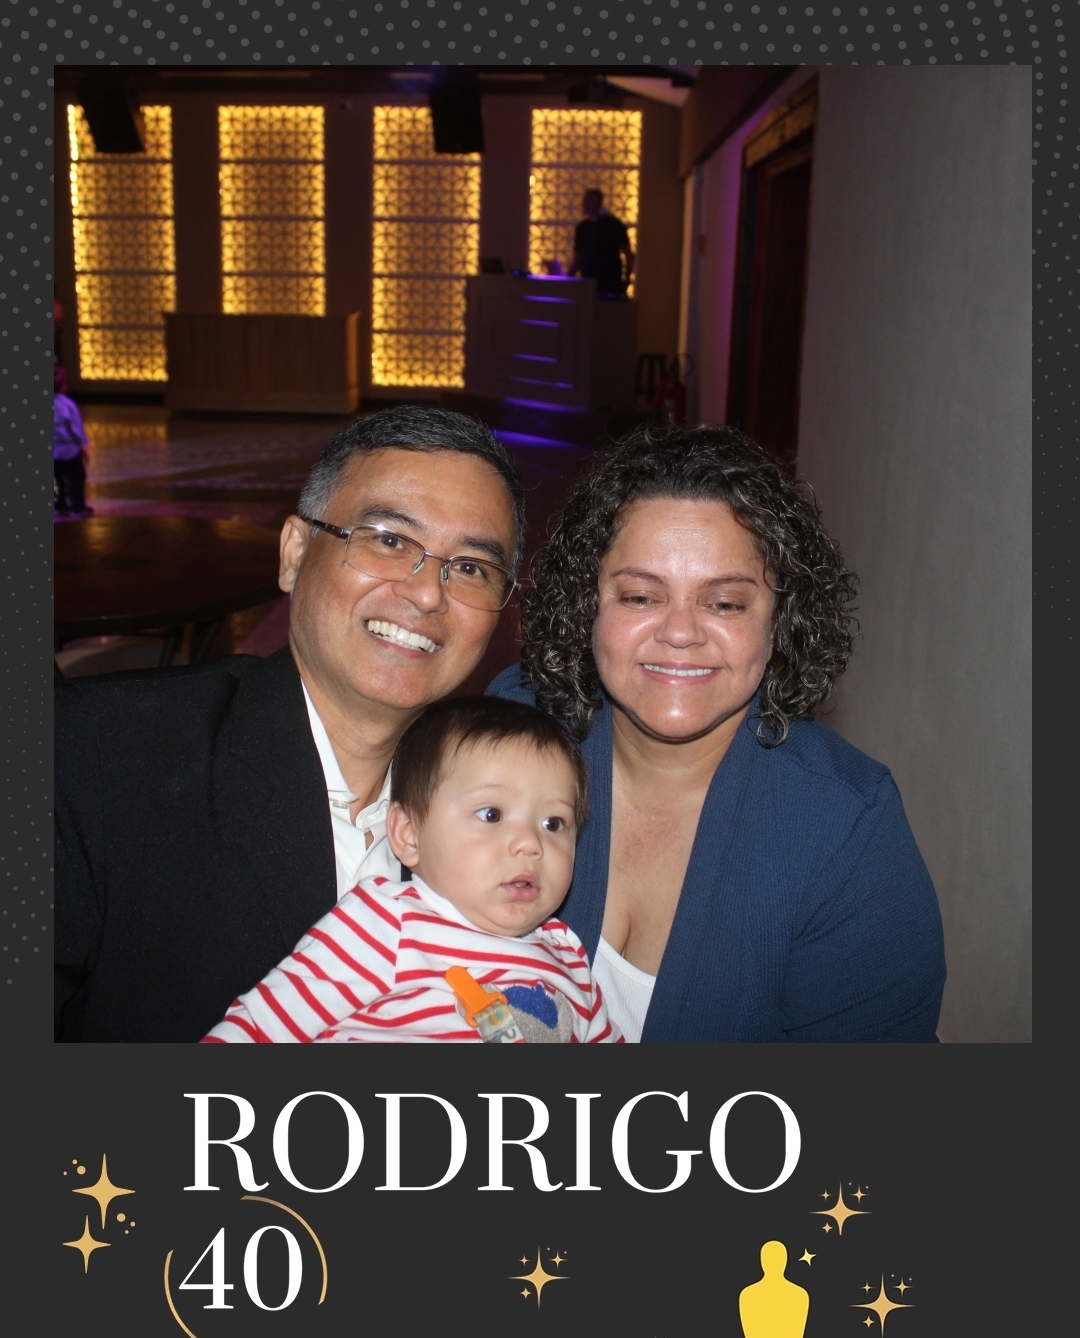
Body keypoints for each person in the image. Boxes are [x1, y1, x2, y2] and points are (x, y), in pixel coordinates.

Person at [55, 407, 525, 1042]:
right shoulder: (92, 758)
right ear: (295, 553)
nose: (427, 594)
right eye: (389, 540)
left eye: (470, 567)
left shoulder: (510, 809)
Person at [489, 423, 947, 1042]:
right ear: (586, 606)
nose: (681, 633)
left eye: (725, 603)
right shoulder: (511, 729)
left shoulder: (845, 830)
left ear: (780, 623)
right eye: (640, 596)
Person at [203, 697, 620, 1044]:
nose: (530, 843)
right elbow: (260, 1027)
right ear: (409, 835)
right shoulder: (386, 924)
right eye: (491, 814)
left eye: (553, 823)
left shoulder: (569, 959)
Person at [569, 188, 634, 298]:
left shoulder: (613, 225)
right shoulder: (583, 228)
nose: (583, 204)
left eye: (588, 201)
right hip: (588, 282)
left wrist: (626, 281)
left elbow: (628, 254)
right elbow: (578, 259)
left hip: (609, 283)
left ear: (598, 203)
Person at [53, 365, 93, 516]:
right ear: (63, 385)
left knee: (56, 479)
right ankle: (77, 505)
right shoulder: (68, 405)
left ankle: (59, 504)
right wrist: (82, 446)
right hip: (70, 448)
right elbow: (75, 429)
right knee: (76, 478)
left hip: (54, 450)